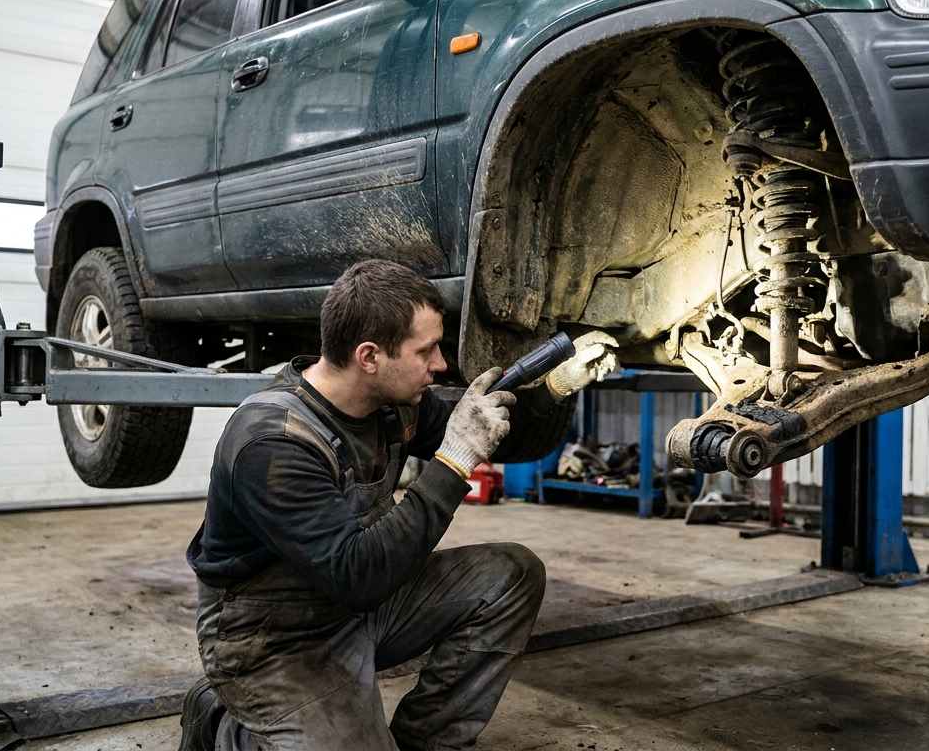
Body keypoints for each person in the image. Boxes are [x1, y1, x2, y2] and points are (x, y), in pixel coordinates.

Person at [178, 260, 619, 750]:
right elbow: (357, 575)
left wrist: (553, 388)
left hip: (363, 601)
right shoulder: (271, 442)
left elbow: (495, 436)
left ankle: (425, 741)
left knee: (510, 574)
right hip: (272, 638)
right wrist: (454, 462)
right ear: (369, 356)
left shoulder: (394, 402)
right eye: (425, 350)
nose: (440, 365)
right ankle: (223, 726)